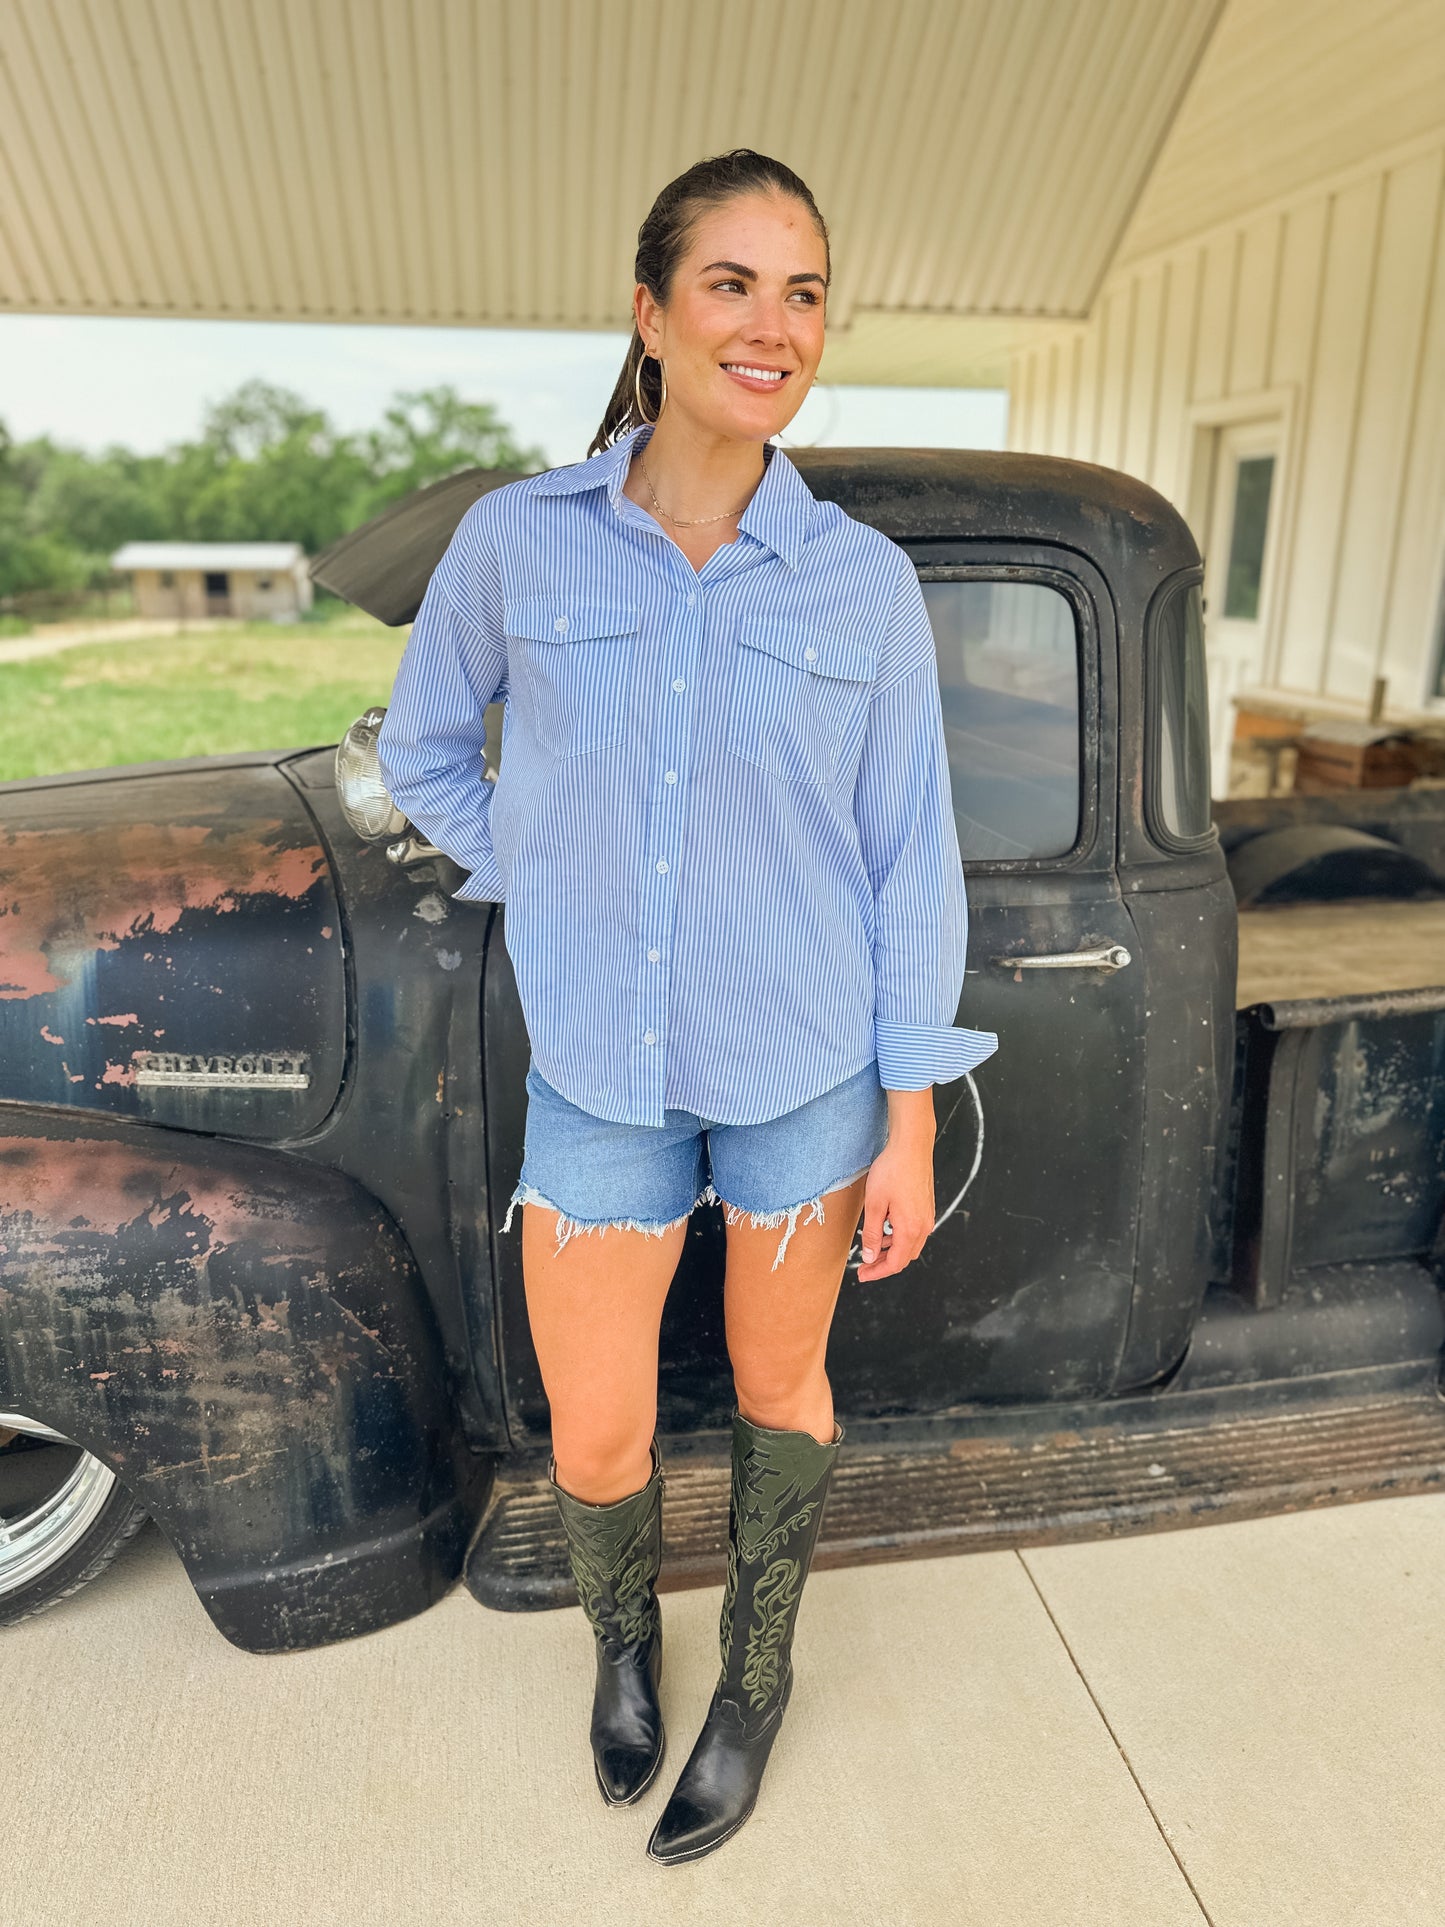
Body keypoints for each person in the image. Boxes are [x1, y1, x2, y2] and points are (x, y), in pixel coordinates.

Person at [375, 148, 998, 1865]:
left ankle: (760, 1676)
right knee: (595, 1416)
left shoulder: (857, 582)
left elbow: (907, 858)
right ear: (649, 315)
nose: (771, 323)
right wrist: (551, 863)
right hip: (600, 1071)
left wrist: (908, 1112)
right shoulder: (519, 542)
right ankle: (626, 1649)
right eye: (731, 283)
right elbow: (425, 747)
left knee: (775, 1385)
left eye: (801, 292)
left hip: (803, 1067)